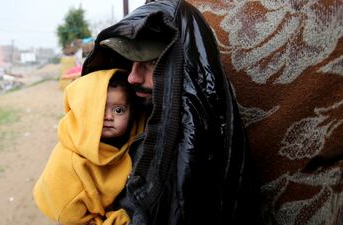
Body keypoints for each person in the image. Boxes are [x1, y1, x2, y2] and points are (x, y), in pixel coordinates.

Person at [81, 0, 261, 224]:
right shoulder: (133, 119)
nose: (132, 78)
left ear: (184, 67)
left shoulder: (199, 147)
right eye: (131, 63)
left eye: (152, 63)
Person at [33, 69, 145, 225]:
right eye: (97, 109)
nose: (108, 117)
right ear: (83, 112)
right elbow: (66, 212)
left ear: (132, 113)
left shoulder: (139, 135)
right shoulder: (70, 159)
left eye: (118, 110)